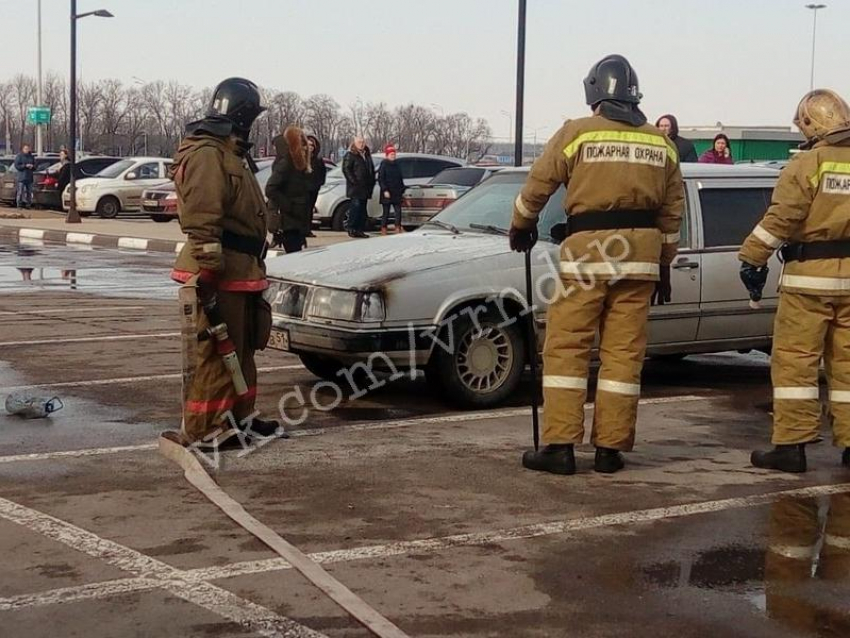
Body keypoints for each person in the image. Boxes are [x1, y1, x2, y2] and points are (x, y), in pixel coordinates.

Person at [509, 54, 684, 476]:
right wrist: (663, 265)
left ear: (593, 94)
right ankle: (610, 449)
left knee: (567, 348)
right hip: (640, 258)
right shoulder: (660, 143)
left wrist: (521, 224)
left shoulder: (576, 133)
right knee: (623, 355)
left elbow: (539, 184)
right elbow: (672, 212)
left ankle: (559, 446)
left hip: (588, 253)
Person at [162, 77, 282, 451]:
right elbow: (201, 215)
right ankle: (205, 429)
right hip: (218, 270)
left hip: (242, 269)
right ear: (242, 113)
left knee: (242, 349)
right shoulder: (206, 152)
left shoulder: (230, 151)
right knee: (216, 353)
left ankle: (237, 420)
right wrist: (209, 270)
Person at [740, 89, 850, 473]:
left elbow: (781, 218)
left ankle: (791, 446)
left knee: (796, 365)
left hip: (809, 283)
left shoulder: (807, 164)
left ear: (811, 124)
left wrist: (752, 258)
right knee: (848, 366)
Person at [265, 125, 313, 254]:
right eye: (301, 143)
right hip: (288, 221)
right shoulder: (286, 163)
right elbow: (270, 189)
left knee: (297, 256)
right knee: (294, 256)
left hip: (297, 219)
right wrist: (288, 206)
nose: (305, 147)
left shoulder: (299, 164)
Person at [342, 135, 375, 238]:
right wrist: (354, 181)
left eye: (363, 142)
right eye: (359, 142)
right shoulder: (350, 155)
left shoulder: (367, 155)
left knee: (362, 211)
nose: (361, 144)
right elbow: (346, 169)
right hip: (356, 188)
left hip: (365, 187)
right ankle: (351, 228)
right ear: (355, 143)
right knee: (355, 209)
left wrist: (372, 181)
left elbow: (371, 169)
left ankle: (360, 230)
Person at [377, 144, 405, 234]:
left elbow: (400, 178)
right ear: (387, 155)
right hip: (387, 192)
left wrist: (402, 189)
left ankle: (397, 227)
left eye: (394, 154)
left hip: (397, 192)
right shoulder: (384, 164)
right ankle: (383, 228)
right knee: (386, 212)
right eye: (391, 154)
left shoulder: (397, 165)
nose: (393, 156)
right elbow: (381, 178)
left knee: (398, 211)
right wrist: (385, 190)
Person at [305, 135, 326, 238]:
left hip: (314, 188)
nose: (310, 147)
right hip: (303, 188)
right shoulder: (302, 158)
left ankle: (308, 229)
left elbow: (323, 172)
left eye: (312, 145)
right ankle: (301, 229)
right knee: (302, 209)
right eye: (308, 145)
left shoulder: (318, 159)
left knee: (309, 210)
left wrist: (320, 182)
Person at [14, 144, 35, 209]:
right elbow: (17, 166)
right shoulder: (19, 156)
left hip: (29, 177)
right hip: (22, 177)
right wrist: (25, 166)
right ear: (23, 149)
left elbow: (35, 165)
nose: (27, 150)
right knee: (20, 191)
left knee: (29, 192)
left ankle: (28, 204)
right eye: (25, 149)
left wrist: (32, 167)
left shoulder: (31, 157)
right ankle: (19, 204)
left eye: (28, 149)